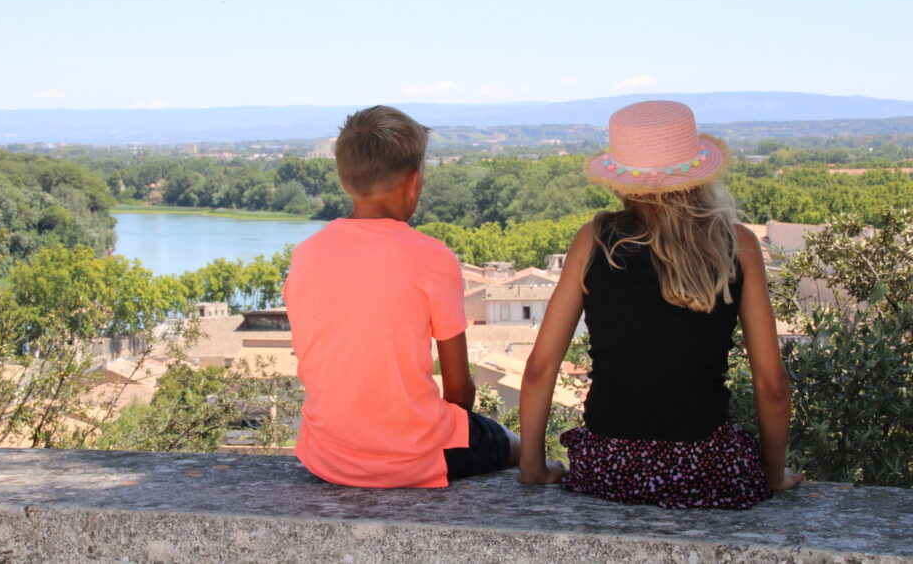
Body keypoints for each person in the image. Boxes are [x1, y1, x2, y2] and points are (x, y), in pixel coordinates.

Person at [519, 100, 803, 508]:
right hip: (705, 468)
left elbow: (540, 368)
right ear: (697, 173)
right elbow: (772, 386)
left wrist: (533, 468)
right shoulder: (737, 245)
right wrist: (772, 475)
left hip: (607, 467)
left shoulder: (594, 240)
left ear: (622, 181)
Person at [284, 105, 520, 488]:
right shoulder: (432, 257)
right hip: (416, 458)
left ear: (346, 181)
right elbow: (459, 389)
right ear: (413, 182)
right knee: (520, 447)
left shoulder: (306, 253)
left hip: (326, 457)